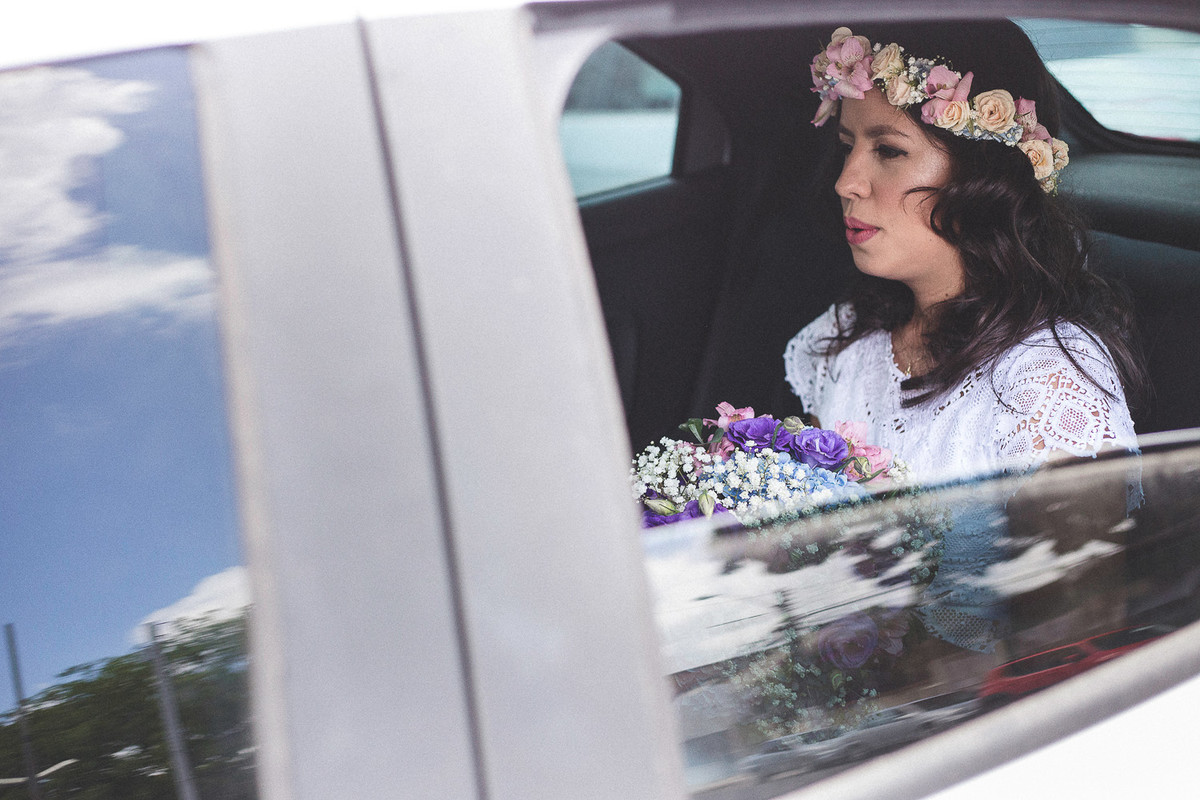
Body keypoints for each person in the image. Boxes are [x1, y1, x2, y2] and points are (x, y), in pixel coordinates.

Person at [783, 21, 1144, 484]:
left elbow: (1080, 557)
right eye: (848, 147)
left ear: (984, 177)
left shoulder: (1048, 380)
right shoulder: (848, 336)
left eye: (889, 151)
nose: (845, 183)